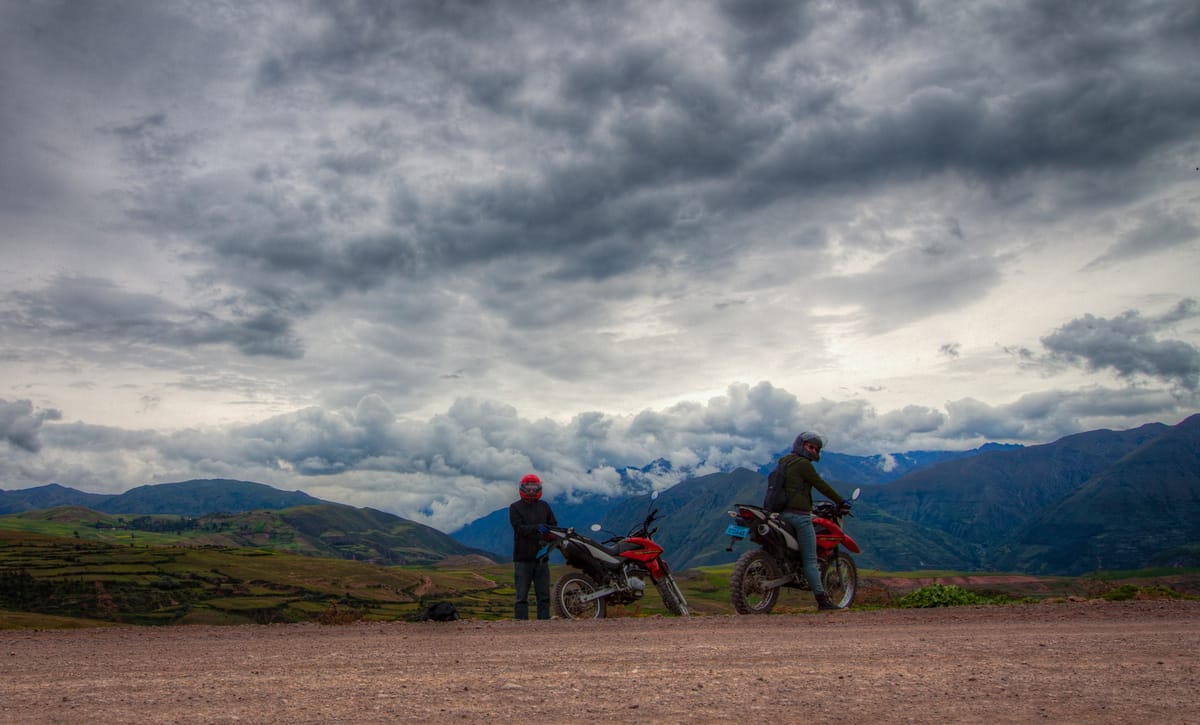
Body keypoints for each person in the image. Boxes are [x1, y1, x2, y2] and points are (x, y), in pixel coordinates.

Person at [778, 431, 850, 611]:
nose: (814, 451)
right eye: (811, 447)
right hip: (800, 516)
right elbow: (820, 485)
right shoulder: (804, 465)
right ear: (800, 446)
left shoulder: (784, 461)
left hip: (780, 515)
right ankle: (822, 601)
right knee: (810, 559)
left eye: (816, 449)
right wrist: (841, 501)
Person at [509, 473, 557, 620]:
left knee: (543, 595)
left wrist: (550, 535)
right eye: (528, 488)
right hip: (522, 558)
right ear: (522, 488)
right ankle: (521, 625)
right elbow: (519, 529)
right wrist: (537, 528)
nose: (531, 491)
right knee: (521, 595)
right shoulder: (515, 507)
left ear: (539, 488)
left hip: (542, 557)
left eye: (533, 487)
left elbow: (553, 525)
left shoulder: (544, 506)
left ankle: (544, 623)